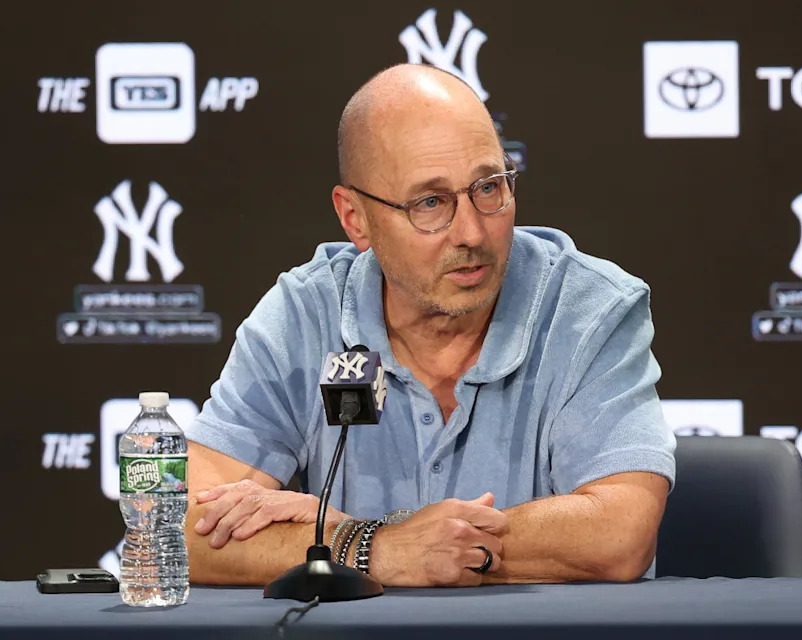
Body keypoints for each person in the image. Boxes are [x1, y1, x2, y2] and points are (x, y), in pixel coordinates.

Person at [184, 63, 676, 588]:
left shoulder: (589, 311)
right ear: (355, 218)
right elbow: (176, 531)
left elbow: (618, 536)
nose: (471, 231)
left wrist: (363, 538)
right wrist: (383, 550)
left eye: (489, 187)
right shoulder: (305, 314)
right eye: (431, 203)